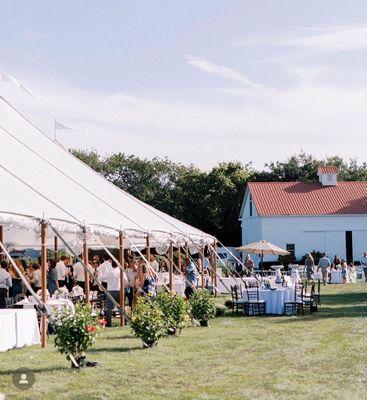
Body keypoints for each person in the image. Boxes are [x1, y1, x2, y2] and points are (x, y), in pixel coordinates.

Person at [102, 260, 128, 327]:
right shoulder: (121, 272)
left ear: (111, 265)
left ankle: (109, 323)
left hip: (110, 291)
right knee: (121, 307)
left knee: (109, 308)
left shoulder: (109, 272)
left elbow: (102, 278)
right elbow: (126, 281)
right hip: (119, 291)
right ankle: (124, 321)